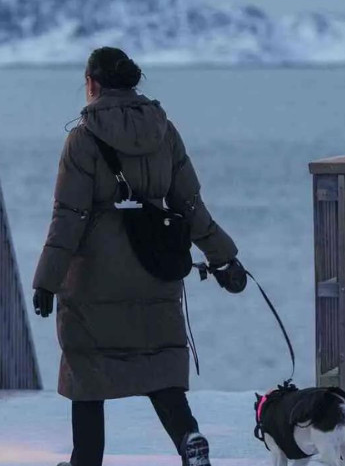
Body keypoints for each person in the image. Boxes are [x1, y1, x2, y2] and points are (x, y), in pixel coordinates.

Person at [31, 46, 248, 466]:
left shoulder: (82, 138)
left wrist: (47, 281)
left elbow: (69, 216)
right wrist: (223, 258)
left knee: (87, 365)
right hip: (155, 264)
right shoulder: (164, 131)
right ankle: (188, 438)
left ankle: (86, 460)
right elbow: (190, 205)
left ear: (92, 83)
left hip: (96, 275)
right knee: (159, 360)